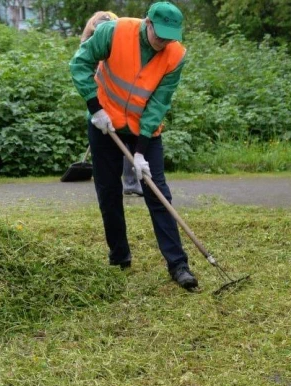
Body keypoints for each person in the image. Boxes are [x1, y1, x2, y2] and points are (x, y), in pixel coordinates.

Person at [69, 2, 198, 290]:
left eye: (169, 37)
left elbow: (159, 103)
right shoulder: (112, 32)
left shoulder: (175, 55)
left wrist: (140, 150)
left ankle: (178, 265)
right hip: (105, 123)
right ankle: (120, 257)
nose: (162, 42)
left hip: (144, 129)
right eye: (159, 35)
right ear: (147, 23)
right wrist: (95, 107)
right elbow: (80, 63)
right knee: (109, 191)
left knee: (157, 191)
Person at [79, 11, 144, 198]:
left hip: (124, 108)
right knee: (109, 158)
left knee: (129, 146)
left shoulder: (117, 33)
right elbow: (84, 74)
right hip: (99, 107)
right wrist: (96, 110)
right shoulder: (90, 46)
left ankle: (131, 182)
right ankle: (127, 183)